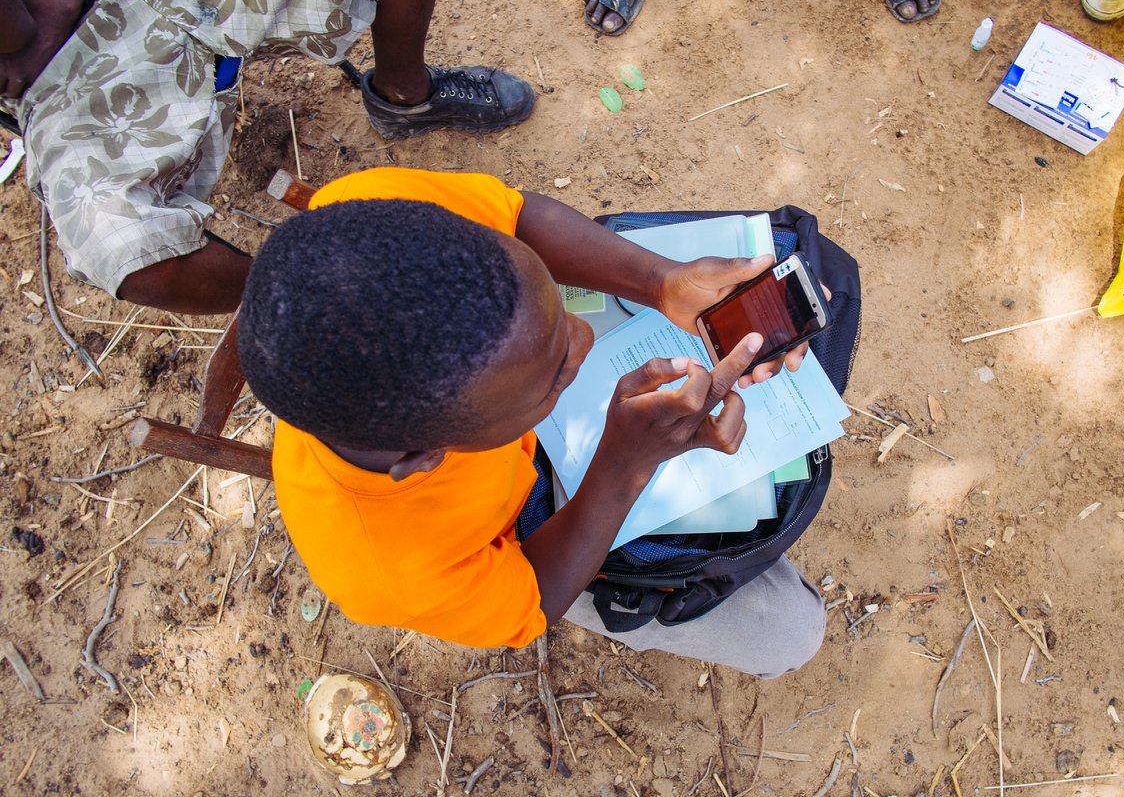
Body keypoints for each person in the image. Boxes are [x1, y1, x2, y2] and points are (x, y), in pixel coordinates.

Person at [237, 167, 829, 679]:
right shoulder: (389, 570)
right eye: (554, 377)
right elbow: (537, 596)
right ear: (424, 457)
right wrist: (625, 463)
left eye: (556, 306)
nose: (585, 338)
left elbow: (516, 216)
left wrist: (660, 282)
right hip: (533, 528)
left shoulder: (373, 217)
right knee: (793, 633)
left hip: (542, 439)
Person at [0, 0, 534, 314]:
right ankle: (306, 294)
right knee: (120, 253)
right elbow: (18, 30)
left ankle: (403, 96)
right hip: (56, 79)